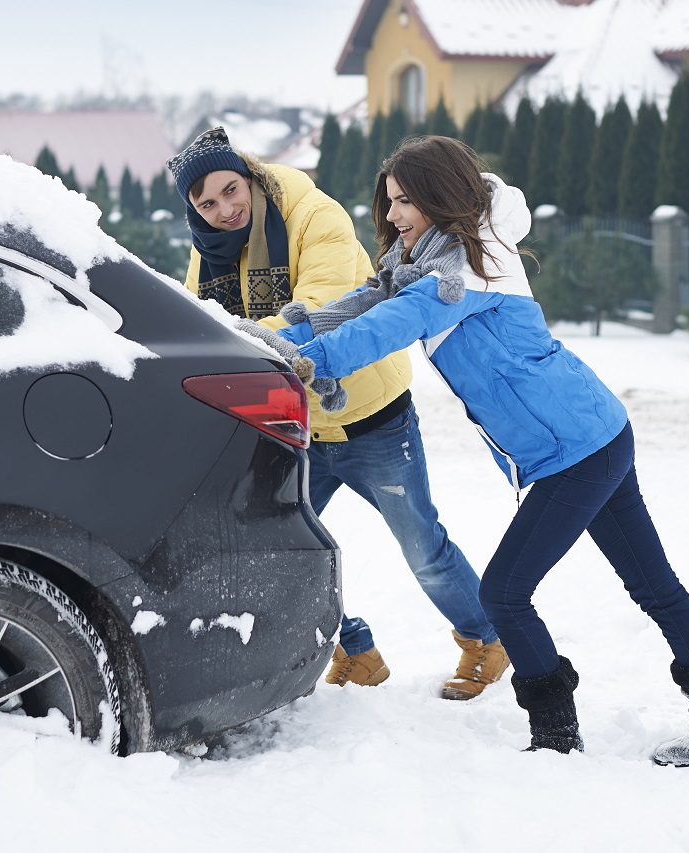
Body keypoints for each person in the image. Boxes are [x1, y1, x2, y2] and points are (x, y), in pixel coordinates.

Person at [278, 135, 689, 769]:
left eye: (403, 201)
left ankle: (558, 738)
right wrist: (280, 338)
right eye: (389, 202)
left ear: (438, 197)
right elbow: (360, 306)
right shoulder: (434, 260)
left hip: (578, 450)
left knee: (505, 593)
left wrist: (309, 362)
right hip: (593, 434)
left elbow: (386, 326)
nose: (391, 216)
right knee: (652, 586)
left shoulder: (466, 269)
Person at [165, 126, 510, 699]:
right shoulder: (210, 254)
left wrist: (243, 339)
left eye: (231, 190)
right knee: (267, 549)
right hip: (293, 426)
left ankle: (485, 640)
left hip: (372, 416)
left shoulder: (313, 216)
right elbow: (204, 322)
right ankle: (355, 650)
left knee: (422, 547)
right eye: (207, 203)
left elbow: (323, 308)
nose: (225, 209)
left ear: (249, 176)